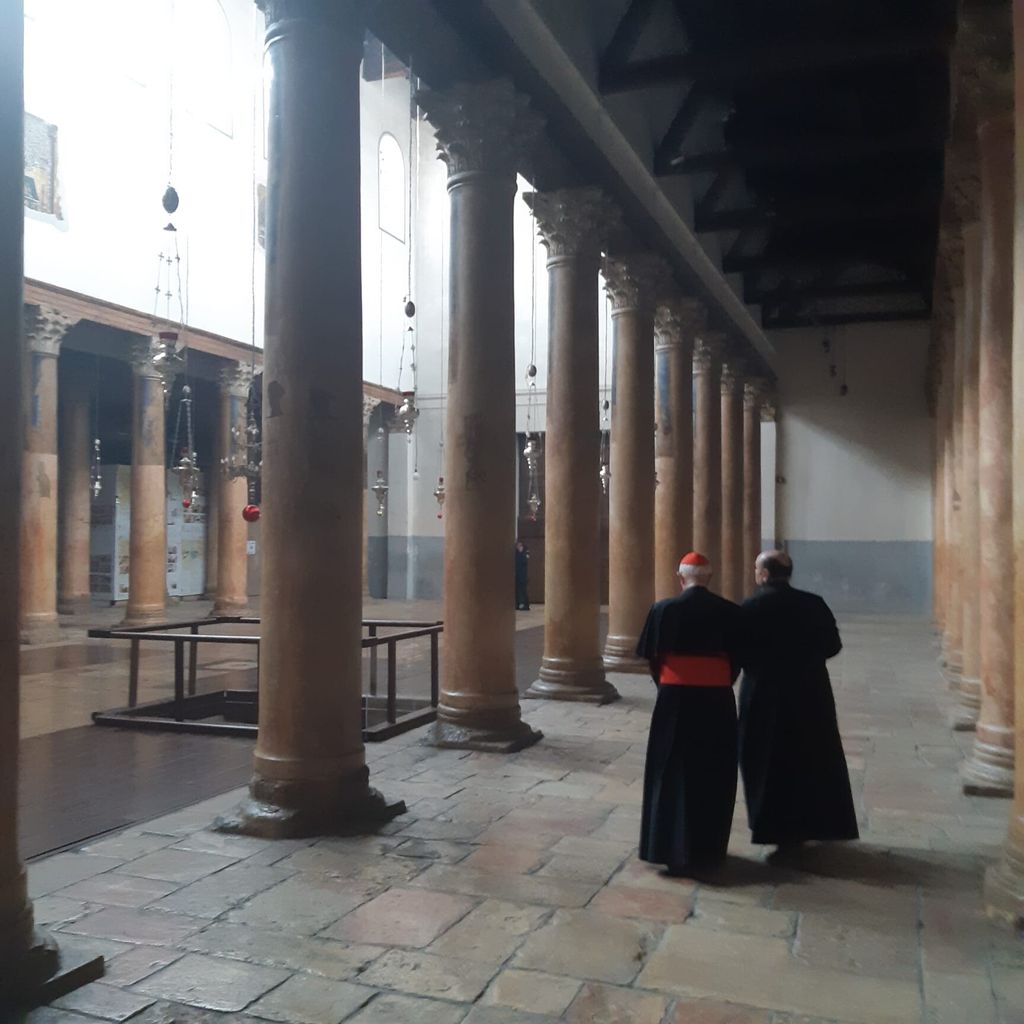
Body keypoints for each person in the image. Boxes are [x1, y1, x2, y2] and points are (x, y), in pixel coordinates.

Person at [738, 549, 859, 851]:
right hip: (810, 692)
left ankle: (772, 827)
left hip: (763, 694)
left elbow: (738, 650)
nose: (755, 573)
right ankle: (811, 823)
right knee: (810, 757)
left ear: (765, 574)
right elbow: (833, 646)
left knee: (765, 758)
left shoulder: (751, 606)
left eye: (757, 569)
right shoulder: (813, 603)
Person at [635, 552, 744, 876]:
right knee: (713, 770)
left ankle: (667, 846)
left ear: (680, 578)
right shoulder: (730, 612)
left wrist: (669, 684)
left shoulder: (663, 609)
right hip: (717, 700)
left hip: (674, 699)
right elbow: (738, 661)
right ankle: (708, 848)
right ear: (709, 578)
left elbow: (651, 657)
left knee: (670, 769)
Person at [514, 540, 530, 611]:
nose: (518, 547)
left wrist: (521, 552)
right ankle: (517, 604)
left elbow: (525, 561)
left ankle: (526, 605)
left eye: (520, 545)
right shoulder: (515, 553)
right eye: (517, 545)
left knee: (523, 591)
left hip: (523, 576)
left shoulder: (526, 552)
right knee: (517, 591)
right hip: (516, 575)